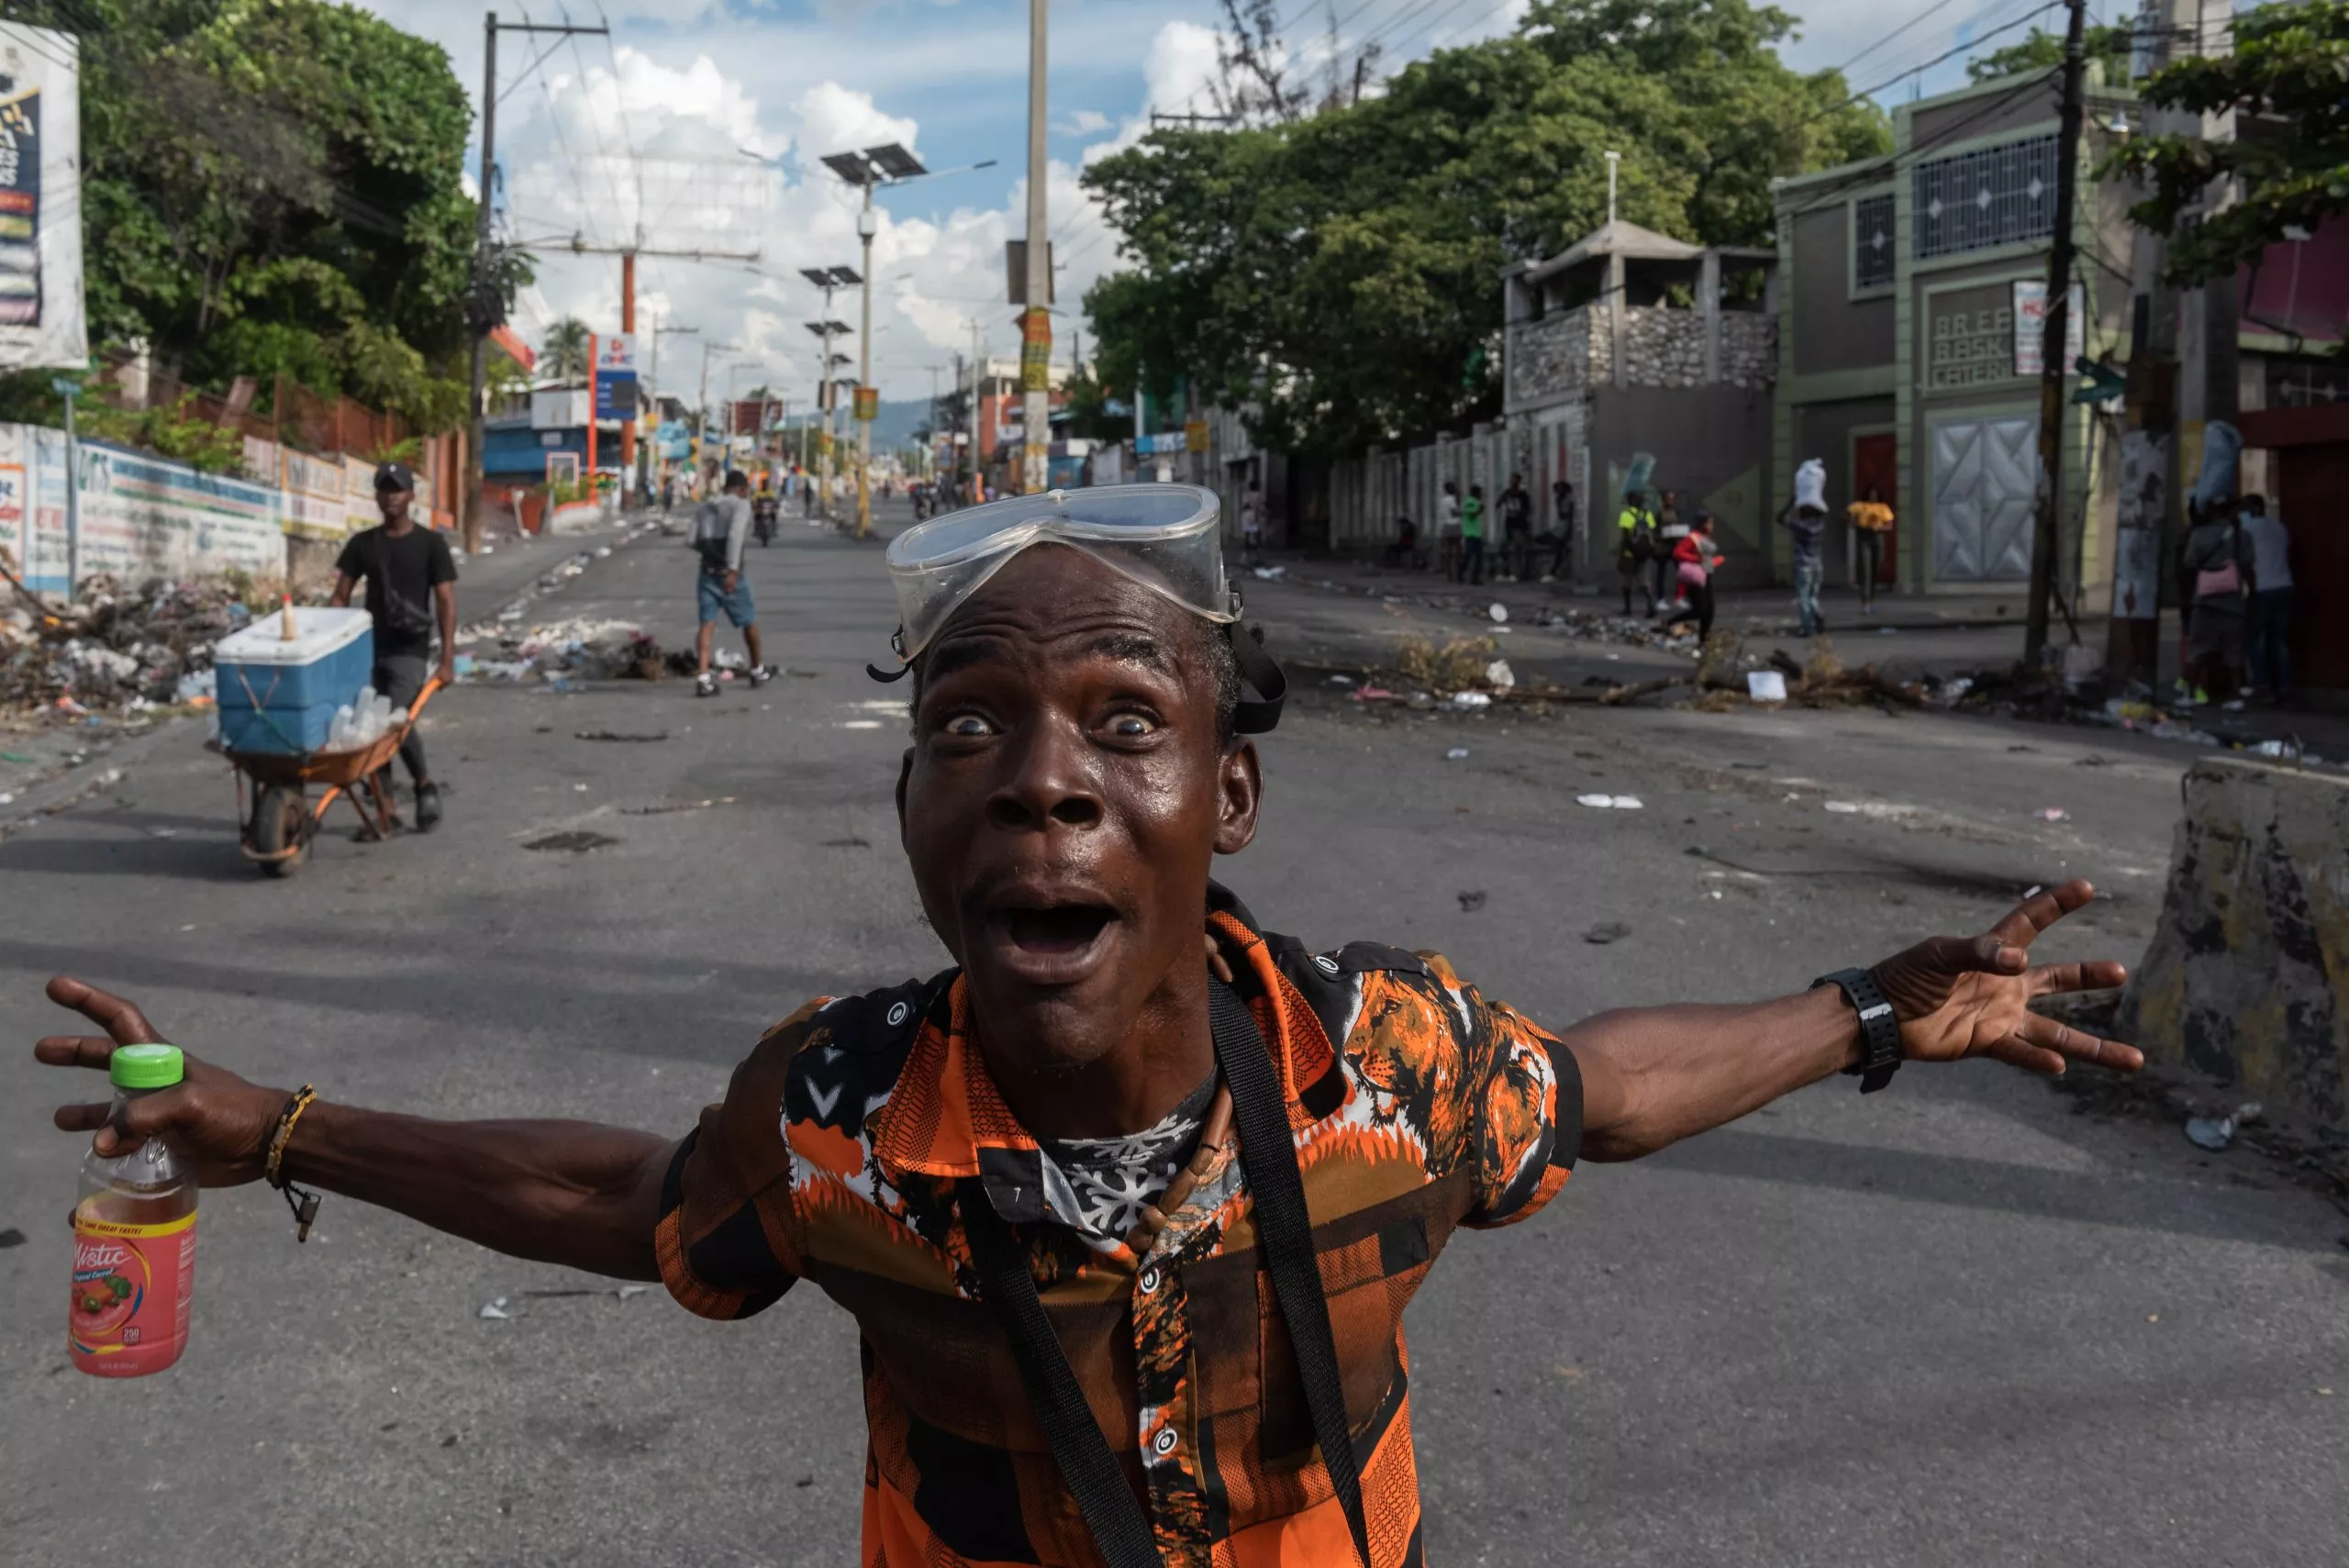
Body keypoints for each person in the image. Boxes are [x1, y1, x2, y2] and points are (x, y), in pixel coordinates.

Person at [34, 484, 2140, 1568]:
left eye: (1120, 726)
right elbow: (647, 1198)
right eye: (969, 727)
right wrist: (277, 1123)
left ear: (1222, 803)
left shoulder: (1381, 1057)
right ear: (912, 808)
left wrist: (1873, 1008)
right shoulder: (840, 1113)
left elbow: (1594, 1093)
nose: (1039, 778)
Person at [328, 462, 455, 832]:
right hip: (368, 649)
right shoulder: (362, 544)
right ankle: (385, 808)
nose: (391, 497)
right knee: (368, 724)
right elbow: (340, 597)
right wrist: (322, 642)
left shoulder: (431, 545)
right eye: (384, 490)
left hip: (410, 650)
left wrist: (447, 660)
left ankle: (423, 784)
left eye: (398, 489)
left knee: (394, 718)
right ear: (377, 496)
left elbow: (446, 601)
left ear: (411, 495)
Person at [691, 470, 775, 698]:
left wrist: (710, 554)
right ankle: (757, 670)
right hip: (730, 575)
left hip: (707, 572)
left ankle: (703, 678)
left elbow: (691, 540)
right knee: (748, 622)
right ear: (740, 489)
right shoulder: (740, 505)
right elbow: (736, 536)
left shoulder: (705, 507)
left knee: (706, 624)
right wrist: (732, 569)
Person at [2180, 496, 2255, 706]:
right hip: (2233, 602)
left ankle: (2190, 695)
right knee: (2234, 651)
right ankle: (2235, 696)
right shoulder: (2243, 536)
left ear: (2212, 511)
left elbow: (2189, 563)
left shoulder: (2198, 535)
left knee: (2197, 649)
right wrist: (2252, 597)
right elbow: (2248, 568)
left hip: (2204, 602)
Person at [2239, 494, 2292, 702]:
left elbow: (2246, 564)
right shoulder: (2279, 527)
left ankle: (2263, 685)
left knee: (2256, 640)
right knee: (2279, 641)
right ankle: (2285, 685)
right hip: (2284, 585)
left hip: (2261, 589)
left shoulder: (2247, 530)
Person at [1670, 509, 1725, 641]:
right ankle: (1671, 622)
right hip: (1694, 578)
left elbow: (1707, 561)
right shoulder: (1692, 537)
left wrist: (1717, 561)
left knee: (1709, 611)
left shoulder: (1706, 537)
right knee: (1700, 610)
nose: (1712, 526)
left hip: (1707, 575)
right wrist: (1695, 559)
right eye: (1709, 523)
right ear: (1703, 524)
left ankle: (1703, 639)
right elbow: (1677, 553)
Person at [1846, 485, 1894, 614]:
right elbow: (1847, 514)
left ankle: (1871, 600)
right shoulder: (1860, 506)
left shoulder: (1882, 507)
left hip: (1877, 536)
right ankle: (1865, 601)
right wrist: (1854, 522)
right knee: (1865, 569)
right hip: (1864, 534)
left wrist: (1879, 528)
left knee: (1875, 569)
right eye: (1871, 494)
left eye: (1875, 494)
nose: (1873, 497)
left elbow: (1889, 524)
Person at [1615, 486, 1656, 615]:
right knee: (1645, 582)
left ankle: (1628, 609)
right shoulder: (1647, 514)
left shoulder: (1626, 514)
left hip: (1629, 554)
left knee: (1627, 581)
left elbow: (1626, 535)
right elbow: (1652, 530)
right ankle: (1651, 607)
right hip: (1644, 554)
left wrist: (1628, 550)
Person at [1653, 488, 1687, 611]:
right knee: (1661, 574)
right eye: (1668, 498)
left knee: (1681, 571)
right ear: (1663, 500)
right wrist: (1662, 536)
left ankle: (1679, 598)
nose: (1671, 501)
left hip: (1674, 546)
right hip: (1662, 547)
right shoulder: (1658, 513)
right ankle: (1660, 599)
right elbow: (1654, 531)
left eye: (1672, 498)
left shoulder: (1675, 511)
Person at [1498, 472, 1532, 581]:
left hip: (1519, 524)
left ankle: (1519, 573)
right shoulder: (1507, 493)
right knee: (1506, 547)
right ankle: (1507, 571)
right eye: (1511, 479)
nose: (1512, 481)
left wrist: (1519, 512)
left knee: (1518, 548)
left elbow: (1527, 509)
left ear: (1518, 481)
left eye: (1514, 479)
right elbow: (1498, 504)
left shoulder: (1523, 494)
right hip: (1509, 523)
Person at [1546, 475, 1575, 582]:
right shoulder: (1561, 499)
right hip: (1561, 527)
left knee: (1559, 549)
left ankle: (1554, 571)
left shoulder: (1567, 499)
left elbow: (1566, 514)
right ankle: (1555, 570)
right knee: (1558, 548)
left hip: (1565, 527)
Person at [1457, 482, 1487, 585]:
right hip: (1470, 533)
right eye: (1480, 492)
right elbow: (1472, 515)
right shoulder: (1470, 501)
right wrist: (1481, 509)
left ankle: (1475, 578)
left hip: (1476, 533)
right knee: (1469, 555)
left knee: (1478, 557)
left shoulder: (1475, 501)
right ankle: (1461, 573)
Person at [1437, 479, 1463, 580]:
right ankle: (1457, 573)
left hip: (1446, 525)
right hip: (1454, 525)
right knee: (1457, 551)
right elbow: (1454, 512)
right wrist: (1463, 513)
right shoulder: (1452, 499)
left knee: (1447, 551)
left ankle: (1449, 574)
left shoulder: (1443, 500)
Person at [1238, 480, 1264, 566]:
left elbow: (1244, 505)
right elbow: (1259, 506)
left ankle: (1245, 555)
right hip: (1254, 515)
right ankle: (1258, 556)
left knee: (1247, 535)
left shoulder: (1246, 494)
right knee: (1257, 536)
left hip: (1246, 516)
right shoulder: (1259, 495)